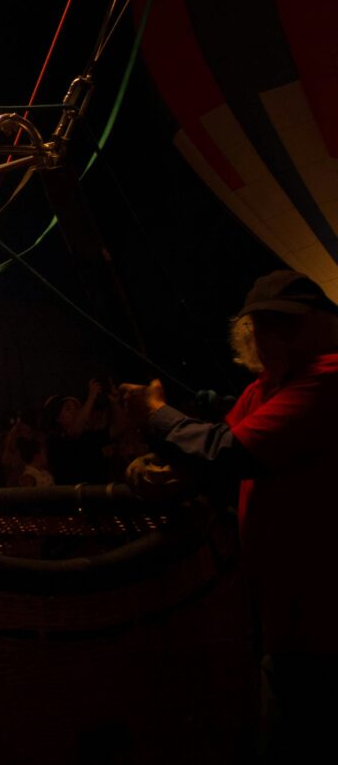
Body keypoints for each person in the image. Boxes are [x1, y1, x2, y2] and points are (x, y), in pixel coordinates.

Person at [119, 271, 338, 762]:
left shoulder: (329, 378)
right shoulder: (266, 389)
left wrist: (155, 413)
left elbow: (228, 450)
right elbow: (208, 458)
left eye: (282, 324)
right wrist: (162, 468)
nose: (269, 336)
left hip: (325, 621)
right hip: (281, 619)